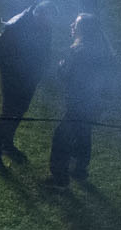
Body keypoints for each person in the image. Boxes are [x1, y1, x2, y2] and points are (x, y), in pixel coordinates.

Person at [0, 3, 52, 169]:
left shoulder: (45, 25)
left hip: (29, 79)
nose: (49, 24)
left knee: (20, 111)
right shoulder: (17, 26)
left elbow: (44, 51)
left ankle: (7, 145)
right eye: (47, 20)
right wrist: (16, 68)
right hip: (13, 78)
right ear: (38, 14)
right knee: (8, 113)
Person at [47, 11, 109, 184]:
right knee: (83, 132)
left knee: (62, 136)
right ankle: (79, 169)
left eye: (75, 24)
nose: (72, 26)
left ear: (84, 30)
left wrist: (61, 66)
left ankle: (59, 178)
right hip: (94, 103)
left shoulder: (77, 51)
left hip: (78, 102)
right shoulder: (101, 48)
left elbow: (66, 74)